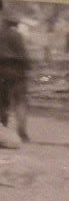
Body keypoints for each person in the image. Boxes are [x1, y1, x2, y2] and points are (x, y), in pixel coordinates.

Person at [0, 10, 31, 143]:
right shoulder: (17, 36)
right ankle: (22, 133)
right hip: (17, 72)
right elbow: (24, 56)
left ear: (5, 22)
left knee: (3, 102)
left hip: (2, 71)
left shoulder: (1, 34)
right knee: (20, 102)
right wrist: (28, 67)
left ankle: (3, 129)